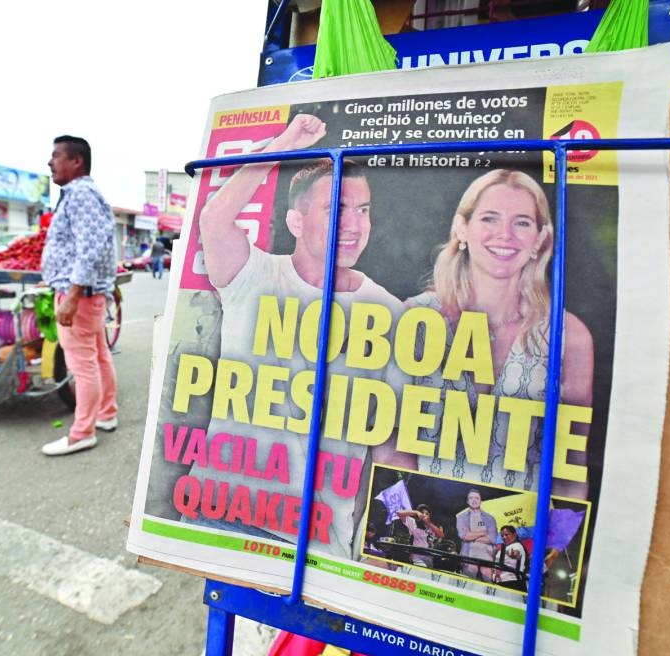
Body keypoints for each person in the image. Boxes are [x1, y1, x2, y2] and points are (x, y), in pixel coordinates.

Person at [189, 113, 412, 559]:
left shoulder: (389, 312)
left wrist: (389, 545)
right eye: (337, 209)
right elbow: (214, 219)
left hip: (315, 542)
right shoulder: (253, 275)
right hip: (217, 509)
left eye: (363, 210)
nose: (354, 224)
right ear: (296, 221)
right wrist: (287, 141)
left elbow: (391, 448)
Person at [407, 169, 594, 499]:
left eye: (522, 222)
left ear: (541, 239)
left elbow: (571, 468)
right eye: (490, 219)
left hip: (520, 538)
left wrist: (554, 545)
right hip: (419, 527)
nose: (505, 234)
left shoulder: (570, 337)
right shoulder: (416, 318)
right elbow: (387, 445)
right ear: (462, 229)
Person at [39, 135, 119, 456]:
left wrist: (72, 295)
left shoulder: (80, 194)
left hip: (80, 295)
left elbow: (91, 247)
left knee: (83, 364)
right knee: (98, 356)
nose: (50, 162)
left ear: (76, 162)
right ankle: (107, 414)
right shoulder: (80, 194)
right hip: (86, 293)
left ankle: (82, 432)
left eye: (56, 155)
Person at [455, 488, 498, 582]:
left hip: (487, 557)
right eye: (471, 498)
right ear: (467, 501)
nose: (474, 500)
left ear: (481, 500)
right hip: (469, 556)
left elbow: (492, 538)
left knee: (488, 585)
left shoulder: (490, 518)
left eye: (476, 498)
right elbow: (463, 536)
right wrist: (483, 533)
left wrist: (471, 536)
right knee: (468, 583)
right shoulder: (461, 517)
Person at [395, 504, 444, 568]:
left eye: (427, 513)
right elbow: (399, 513)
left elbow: (441, 535)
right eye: (422, 513)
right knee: (422, 571)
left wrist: (428, 523)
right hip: (417, 556)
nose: (424, 515)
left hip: (429, 557)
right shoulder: (414, 523)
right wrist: (416, 512)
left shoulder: (433, 525)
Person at [493, 525, 528, 592]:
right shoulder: (504, 548)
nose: (504, 537)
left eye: (506, 534)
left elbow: (516, 553)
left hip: (511, 583)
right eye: (502, 535)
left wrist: (513, 555)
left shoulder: (517, 546)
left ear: (514, 534)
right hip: (501, 582)